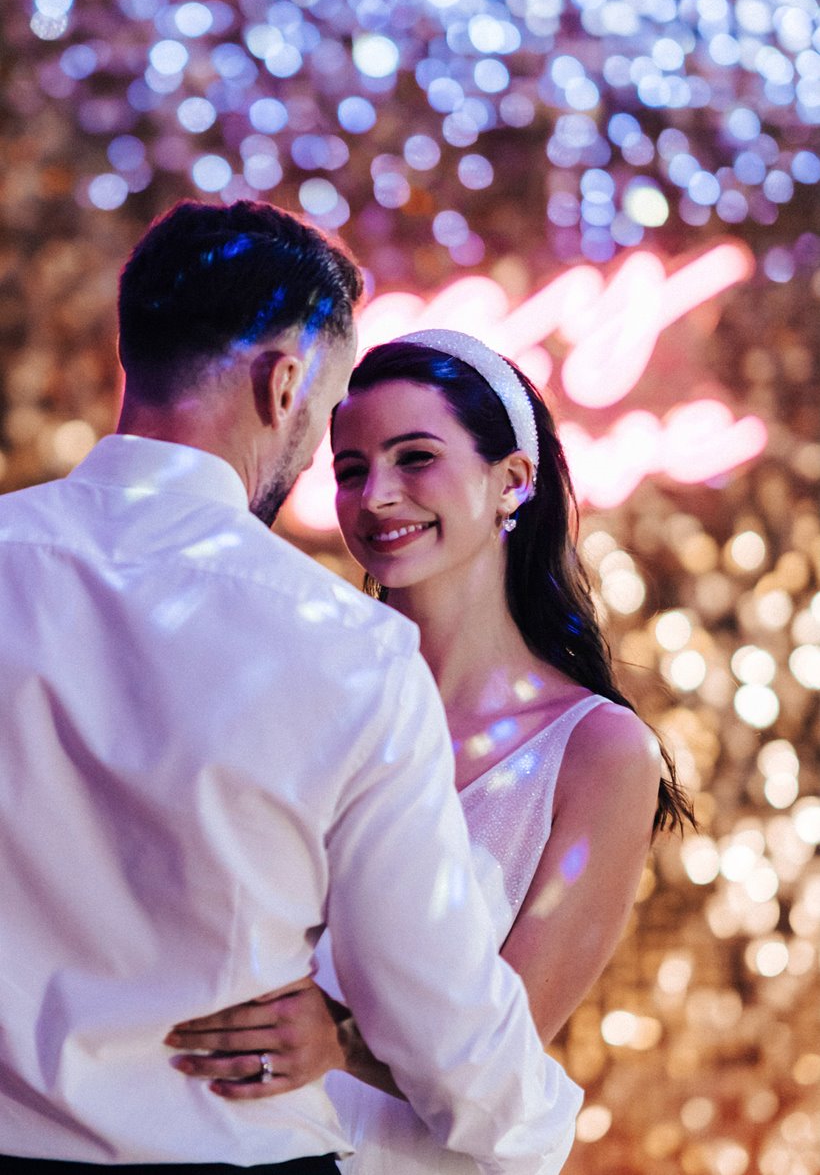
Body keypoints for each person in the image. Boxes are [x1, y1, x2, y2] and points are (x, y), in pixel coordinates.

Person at [0, 212, 583, 1175]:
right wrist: (539, 1135)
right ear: (283, 386)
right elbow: (435, 1010)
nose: (323, 462)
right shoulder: (350, 653)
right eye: (328, 424)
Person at [167, 329, 694, 1174]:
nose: (376, 495)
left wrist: (338, 1042)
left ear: (511, 481)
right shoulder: (299, 696)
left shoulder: (599, 752)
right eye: (348, 468)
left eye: (415, 458)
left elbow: (509, 1050)